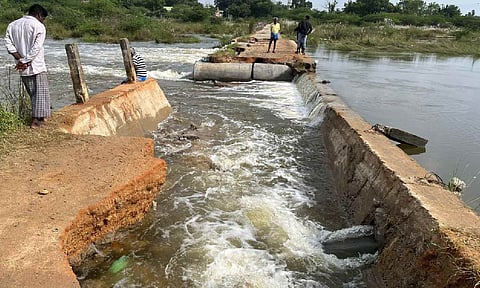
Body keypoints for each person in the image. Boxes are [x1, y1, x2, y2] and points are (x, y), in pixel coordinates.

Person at [5, 4, 50, 129]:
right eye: (43, 18)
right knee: (40, 93)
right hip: (35, 65)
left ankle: (40, 119)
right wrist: (25, 60)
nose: (42, 20)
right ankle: (36, 122)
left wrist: (20, 59)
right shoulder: (39, 26)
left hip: (22, 66)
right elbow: (36, 48)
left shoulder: (12, 25)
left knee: (32, 92)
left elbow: (8, 45)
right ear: (39, 15)